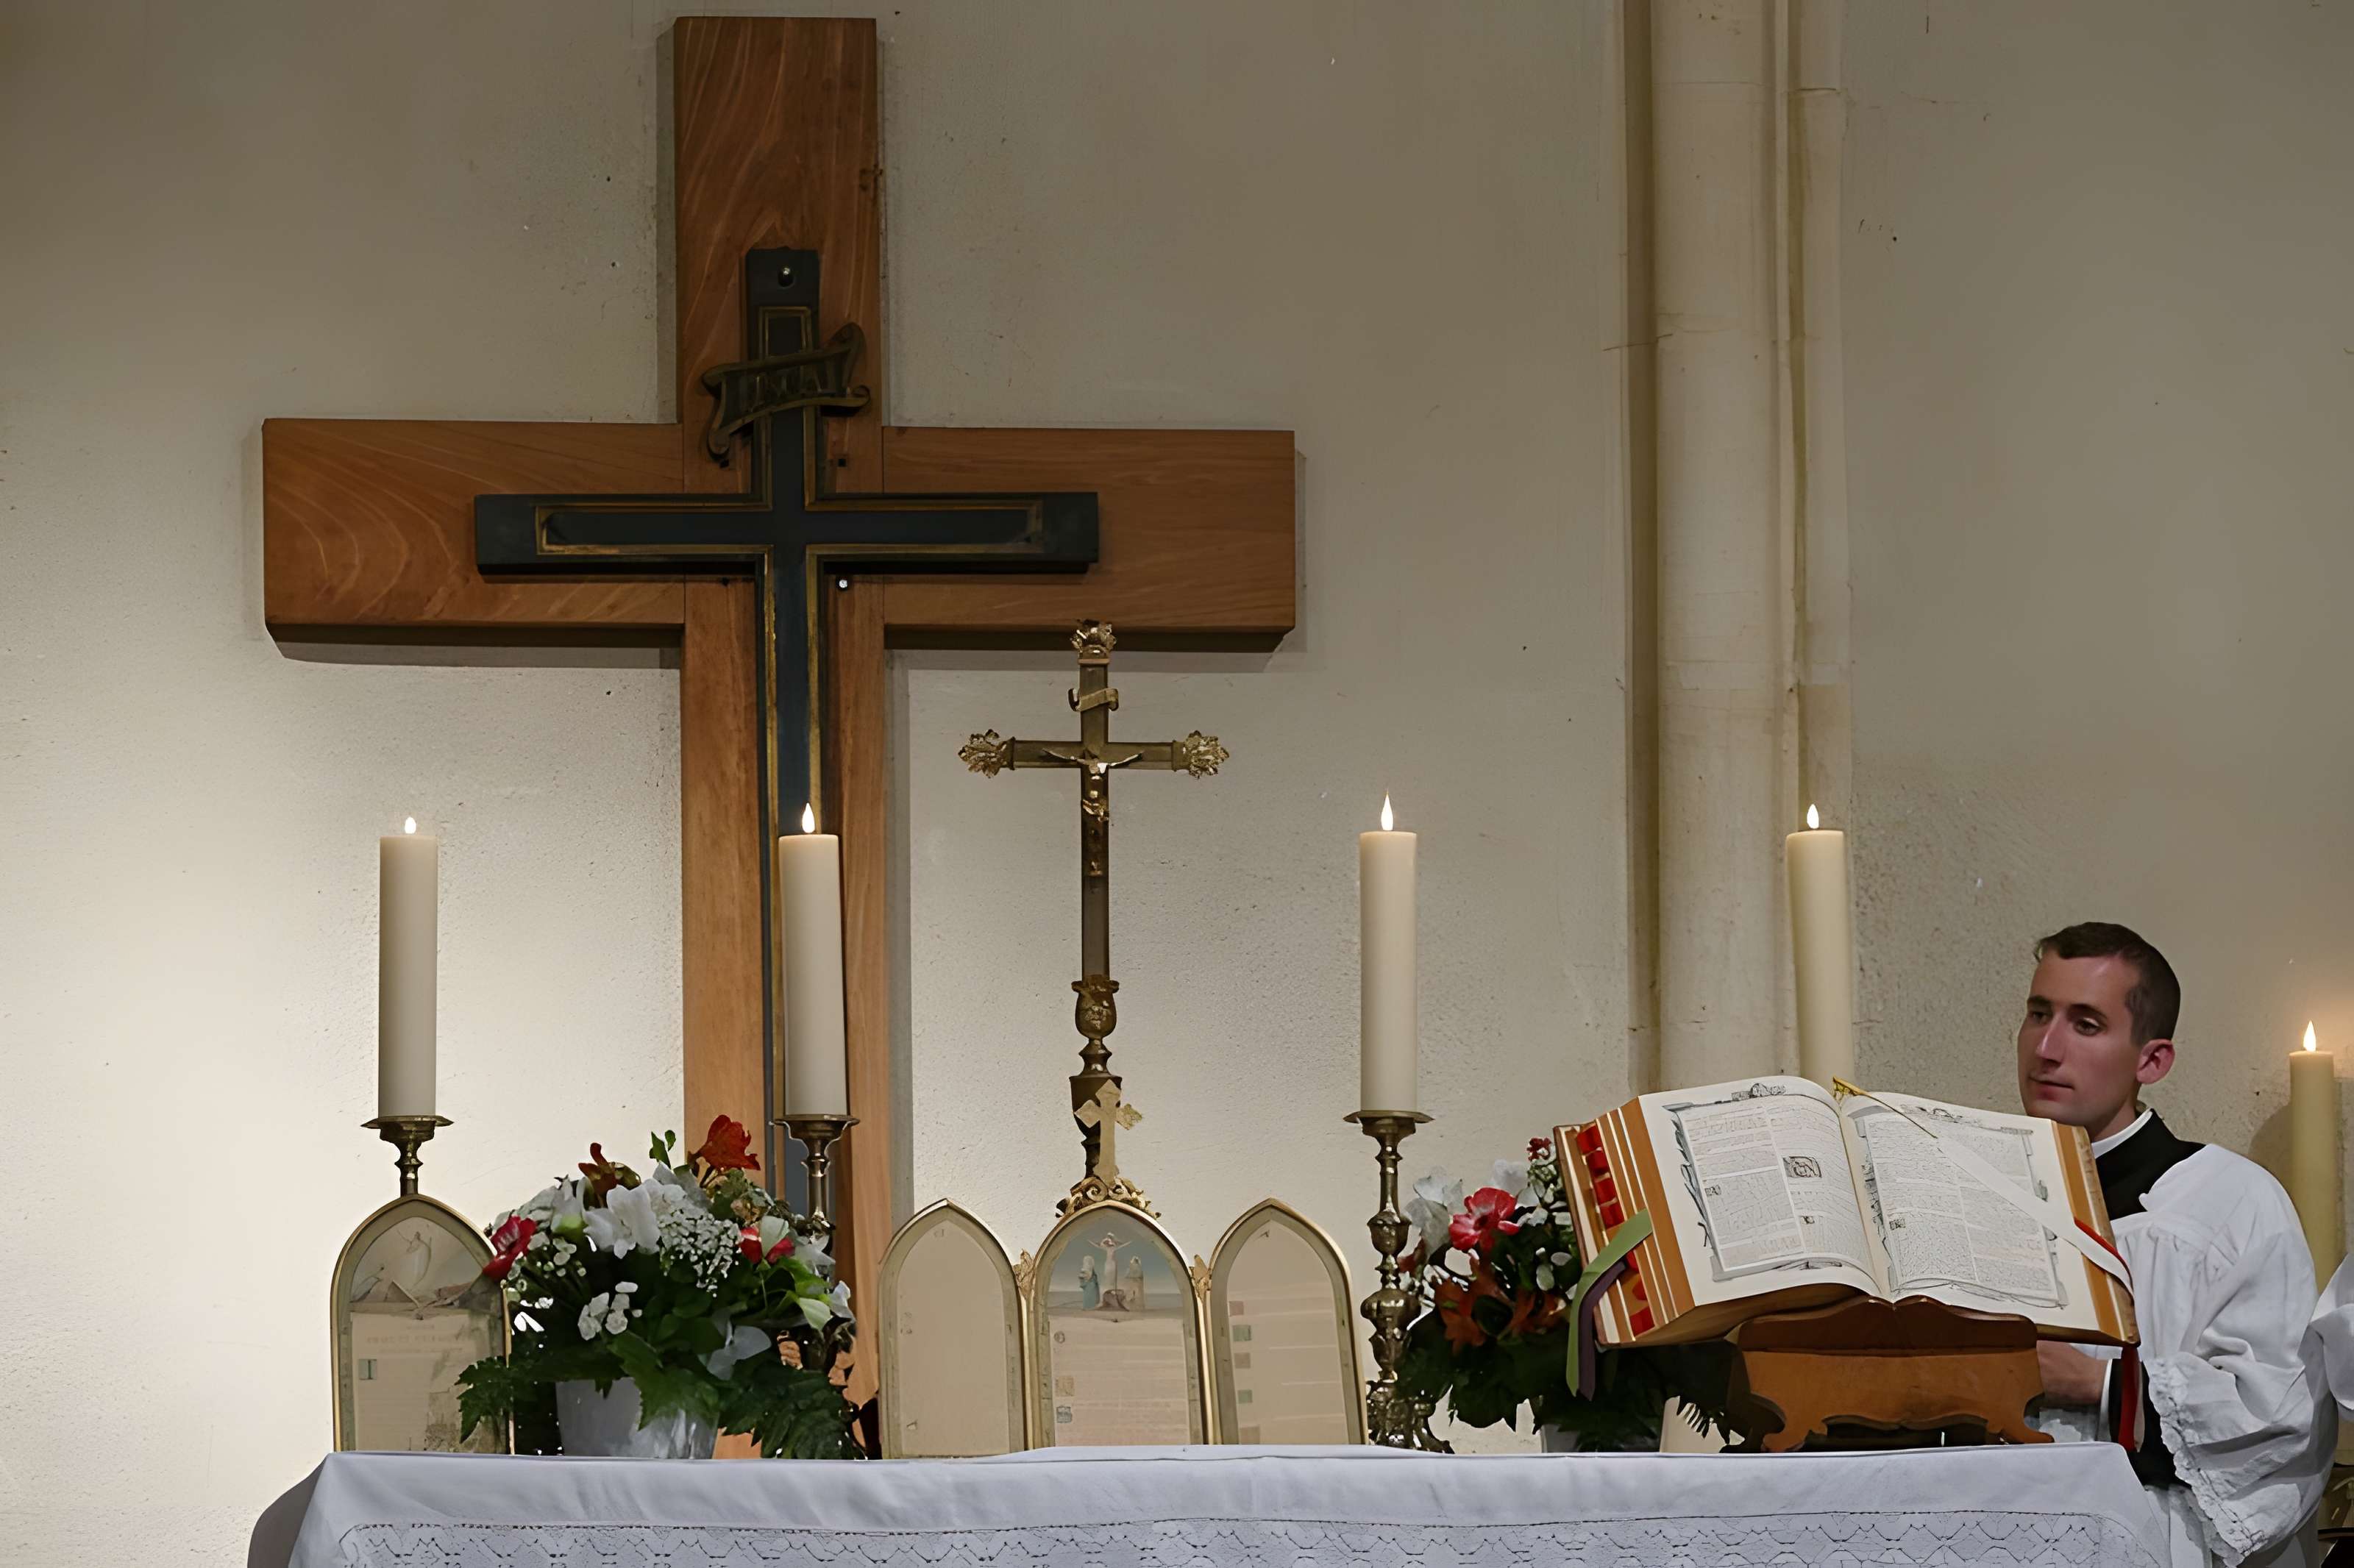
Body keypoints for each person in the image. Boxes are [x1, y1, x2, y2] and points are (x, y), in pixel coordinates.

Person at [2021, 922, 2330, 1567]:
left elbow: (2278, 1421)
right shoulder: (1981, 1196)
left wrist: (2101, 1384)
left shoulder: (2229, 1203)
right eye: (2038, 1013)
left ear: (2152, 1061)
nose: (2046, 1048)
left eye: (2085, 1024)